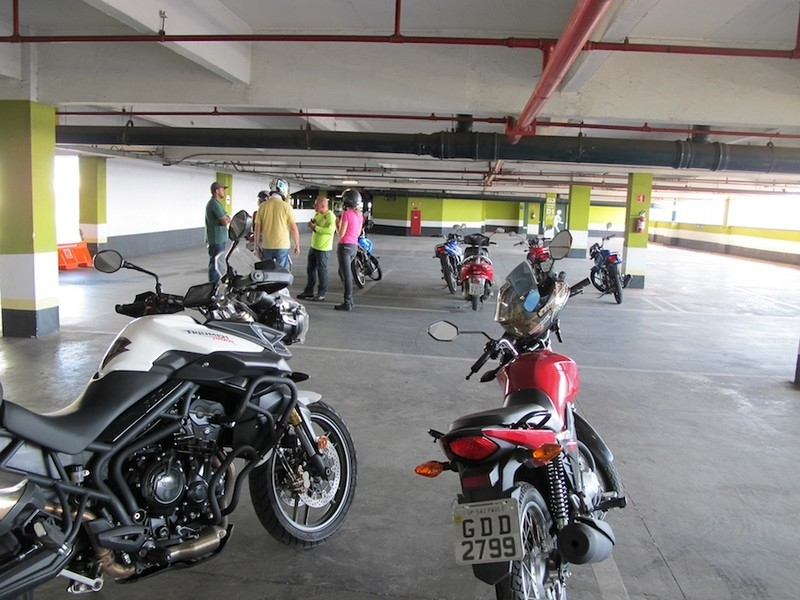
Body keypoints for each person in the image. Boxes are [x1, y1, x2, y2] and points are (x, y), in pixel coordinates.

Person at [253, 178, 300, 270]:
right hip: (282, 245)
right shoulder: (287, 207)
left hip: (267, 245)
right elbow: (294, 228)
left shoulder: (262, 207)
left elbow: (257, 229)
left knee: (266, 272)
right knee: (281, 273)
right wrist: (297, 244)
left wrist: (256, 246)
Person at [298, 196, 335, 301]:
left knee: (321, 271)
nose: (314, 206)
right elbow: (315, 226)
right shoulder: (317, 214)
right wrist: (312, 225)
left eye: (316, 205)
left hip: (323, 249)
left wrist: (315, 228)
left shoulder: (330, 216)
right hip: (314, 246)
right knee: (310, 270)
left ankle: (321, 293)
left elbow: (330, 231)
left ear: (322, 206)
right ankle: (309, 291)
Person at [334, 188, 364, 311]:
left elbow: (340, 233)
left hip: (344, 247)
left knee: (346, 275)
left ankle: (348, 301)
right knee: (342, 272)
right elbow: (357, 233)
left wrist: (337, 223)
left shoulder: (346, 214)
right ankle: (348, 299)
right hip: (353, 247)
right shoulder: (359, 216)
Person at [205, 181, 230, 282]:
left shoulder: (217, 204)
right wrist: (226, 218)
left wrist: (226, 218)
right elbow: (225, 220)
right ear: (216, 191)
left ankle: (215, 286)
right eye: (222, 189)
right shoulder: (213, 204)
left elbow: (227, 217)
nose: (223, 191)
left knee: (218, 263)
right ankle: (213, 287)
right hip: (216, 239)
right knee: (215, 264)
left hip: (219, 239)